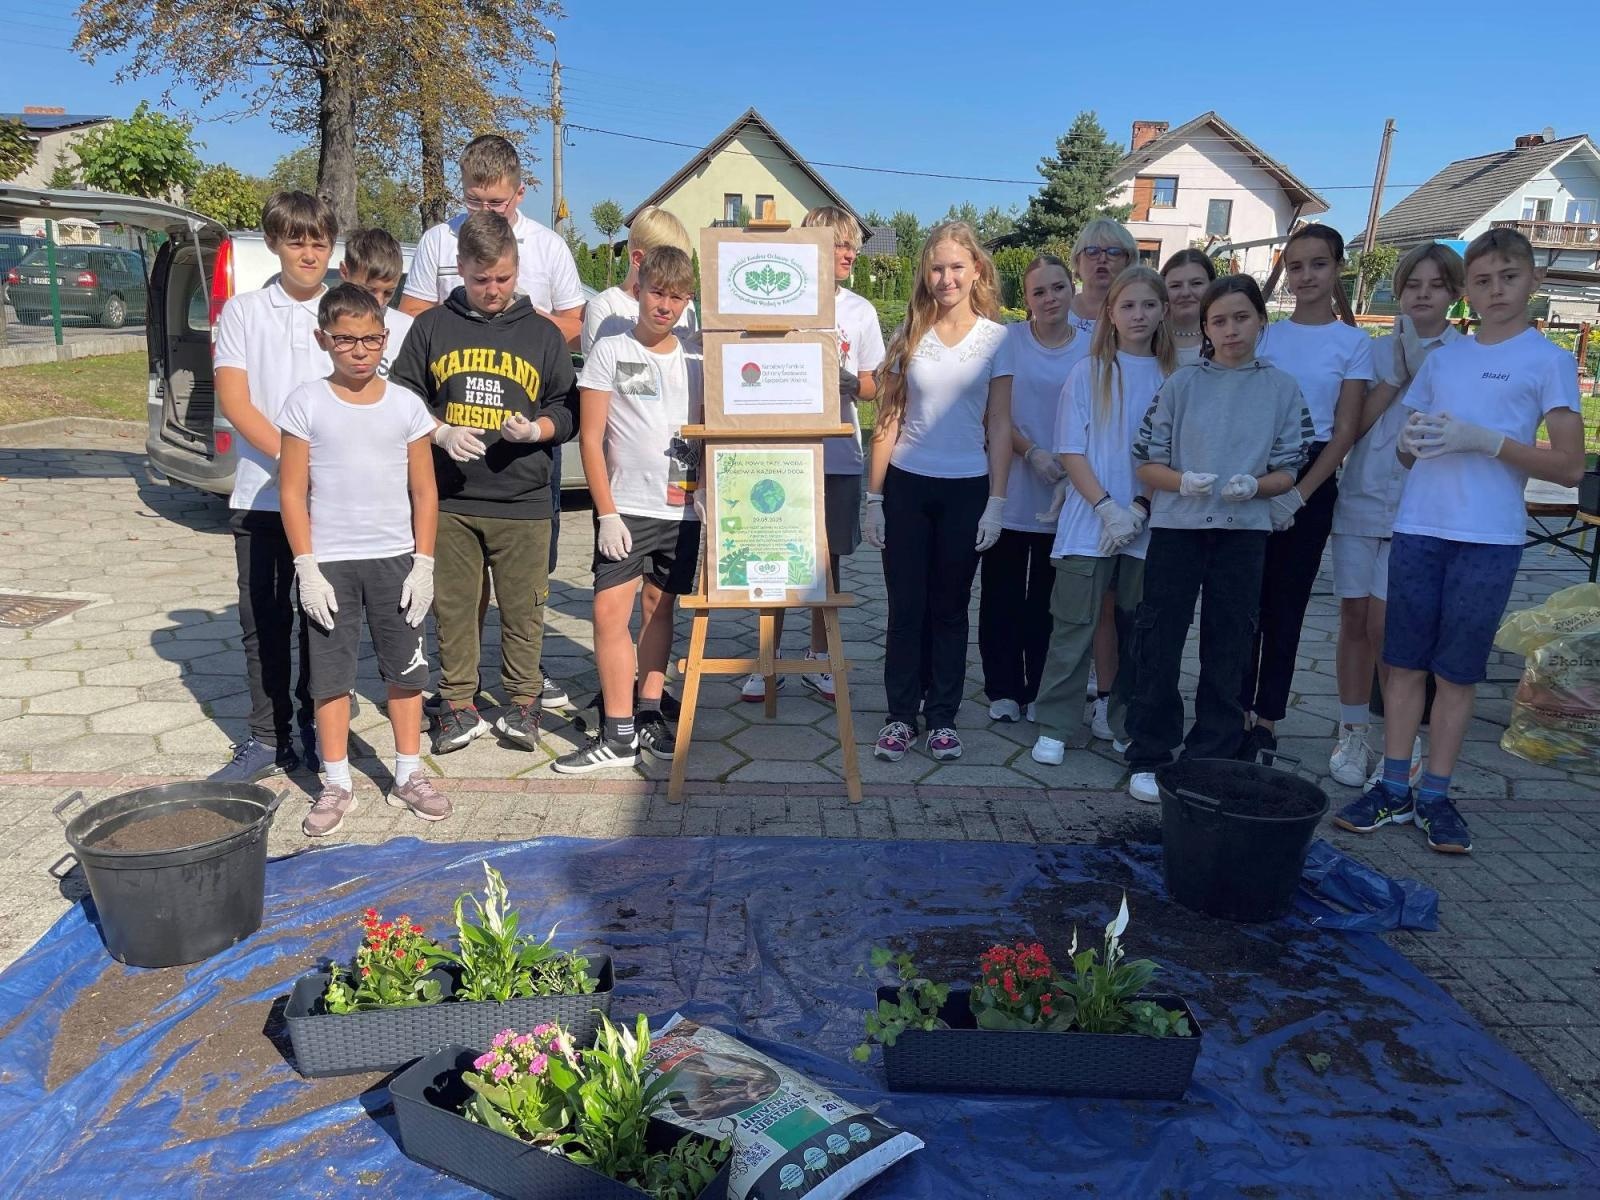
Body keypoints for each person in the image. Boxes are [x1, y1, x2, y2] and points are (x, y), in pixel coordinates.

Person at [1334, 227, 1584, 854]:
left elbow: (1572, 467)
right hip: (1418, 528)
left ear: (1535, 283)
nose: (1496, 291)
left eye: (1509, 278)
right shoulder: (1445, 358)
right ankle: (1393, 789)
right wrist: (1406, 445)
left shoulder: (1547, 358)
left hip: (1488, 537)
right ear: (1465, 290)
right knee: (1402, 663)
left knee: (1457, 673)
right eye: (1483, 280)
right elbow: (1407, 442)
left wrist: (1491, 442)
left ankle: (1437, 795)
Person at [401, 134, 585, 712]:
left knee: (526, 578)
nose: (483, 212)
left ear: (518, 194)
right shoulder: (436, 240)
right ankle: (460, 683)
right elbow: (411, 322)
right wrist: (437, 425)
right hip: (452, 464)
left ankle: (523, 679)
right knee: (456, 585)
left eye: (496, 204)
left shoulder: (548, 247)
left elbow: (571, 327)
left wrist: (516, 337)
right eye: (474, 202)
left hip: (521, 463)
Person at [1125, 276, 1311, 803]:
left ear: (1261, 321)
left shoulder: (1281, 387)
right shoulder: (1182, 384)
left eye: (1241, 318)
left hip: (1243, 533)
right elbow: (1146, 460)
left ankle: (1213, 751)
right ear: (1204, 327)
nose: (1231, 330)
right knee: (1159, 641)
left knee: (1229, 645)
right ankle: (1150, 750)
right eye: (1219, 321)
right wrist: (1181, 481)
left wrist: (1256, 487)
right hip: (1179, 529)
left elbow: (1289, 467)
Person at [278, 284, 449, 836]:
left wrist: (424, 562)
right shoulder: (305, 402)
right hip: (330, 563)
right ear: (323, 339)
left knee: (406, 671)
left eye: (371, 339)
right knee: (330, 678)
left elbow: (425, 492)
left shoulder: (405, 405)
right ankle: (336, 782)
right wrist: (305, 565)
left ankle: (408, 773)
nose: (359, 350)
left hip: (395, 560)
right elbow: (291, 491)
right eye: (345, 339)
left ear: (385, 339)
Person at [864, 221, 1013, 763]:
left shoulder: (999, 339)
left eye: (957, 266)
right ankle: (900, 716)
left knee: (949, 608)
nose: (946, 277)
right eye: (936, 267)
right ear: (925, 274)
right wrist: (874, 498)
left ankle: (943, 718)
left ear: (977, 270)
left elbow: (999, 424)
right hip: (906, 486)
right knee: (906, 608)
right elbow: (890, 417)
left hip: (966, 489)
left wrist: (998, 500)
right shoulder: (910, 333)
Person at [554, 246, 702, 772]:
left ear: (688, 301)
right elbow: (591, 441)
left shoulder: (697, 356)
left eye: (677, 297)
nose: (665, 306)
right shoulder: (610, 350)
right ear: (638, 291)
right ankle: (616, 733)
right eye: (657, 293)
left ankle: (646, 712)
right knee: (607, 612)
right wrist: (606, 511)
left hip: (681, 508)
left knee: (659, 611)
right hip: (625, 507)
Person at [208, 191, 336, 782]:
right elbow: (236, 399)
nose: (308, 252)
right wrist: (292, 459)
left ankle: (314, 726)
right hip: (261, 494)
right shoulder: (243, 313)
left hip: (331, 502)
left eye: (318, 241)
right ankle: (267, 735)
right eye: (296, 240)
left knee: (322, 620)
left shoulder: (345, 312)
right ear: (275, 243)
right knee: (263, 617)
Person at [1326, 243, 1464, 786]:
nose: (1422, 294)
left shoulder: (1464, 356)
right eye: (1412, 285)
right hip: (1361, 500)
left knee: (1393, 627)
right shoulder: (1373, 351)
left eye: (1435, 284)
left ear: (1455, 292)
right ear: (1398, 292)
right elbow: (1349, 431)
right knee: (1355, 620)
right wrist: (1398, 379)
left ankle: (1397, 744)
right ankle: (1352, 732)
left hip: (1420, 510)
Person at [739, 205, 887, 706]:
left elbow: (875, 386)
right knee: (775, 557)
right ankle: (768, 659)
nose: (847, 253)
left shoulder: (860, 311)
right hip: (782, 454)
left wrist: (853, 382)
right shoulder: (778, 303)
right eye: (837, 244)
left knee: (828, 562)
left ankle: (821, 658)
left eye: (851, 245)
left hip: (839, 453)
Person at [1239, 224, 1375, 761]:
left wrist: (1299, 494)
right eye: (1296, 266)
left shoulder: (1352, 343)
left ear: (1337, 266)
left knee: (1286, 607)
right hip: (1256, 471)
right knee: (1245, 602)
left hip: (1312, 480)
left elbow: (1344, 429)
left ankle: (1268, 716)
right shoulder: (1267, 336)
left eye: (1318, 264)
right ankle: (1235, 708)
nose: (1306, 276)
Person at [1031, 265, 1175, 766]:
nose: (1138, 315)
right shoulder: (1089, 372)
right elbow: (1071, 450)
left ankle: (1124, 720)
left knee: (1137, 629)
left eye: (1148, 305)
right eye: (1128, 305)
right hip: (1089, 524)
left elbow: (1173, 454)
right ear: (1109, 313)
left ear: (1163, 311)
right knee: (1074, 624)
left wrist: (1138, 508)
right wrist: (1106, 507)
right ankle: (1055, 722)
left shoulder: (1172, 377)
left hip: (1147, 527)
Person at [980, 254, 1086, 727]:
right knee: (1001, 594)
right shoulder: (1008, 341)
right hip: (1012, 484)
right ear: (1026, 299)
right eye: (1039, 291)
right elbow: (991, 413)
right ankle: (1002, 689)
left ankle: (1041, 687)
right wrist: (1031, 452)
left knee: (1048, 600)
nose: (1050, 299)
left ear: (1072, 288)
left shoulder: (1091, 343)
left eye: (1058, 288)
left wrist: (1068, 457)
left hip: (1066, 493)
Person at [581, 205, 699, 353]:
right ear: (638, 259)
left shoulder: (685, 306)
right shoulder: (604, 307)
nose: (675, 275)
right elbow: (598, 370)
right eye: (667, 264)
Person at [339, 227, 414, 380]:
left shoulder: (408, 329)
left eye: (388, 292)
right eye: (369, 290)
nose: (378, 302)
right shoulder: (322, 321)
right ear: (345, 272)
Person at [1066, 217, 1138, 335]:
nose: (1103, 259)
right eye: (1092, 251)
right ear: (1077, 259)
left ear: (1128, 261)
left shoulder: (1139, 315)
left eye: (1114, 252)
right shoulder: (1059, 311)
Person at [1161, 249, 1216, 367]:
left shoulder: (1227, 337)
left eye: (1196, 283)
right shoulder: (1148, 336)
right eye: (1175, 285)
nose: (1185, 293)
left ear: (1212, 285)